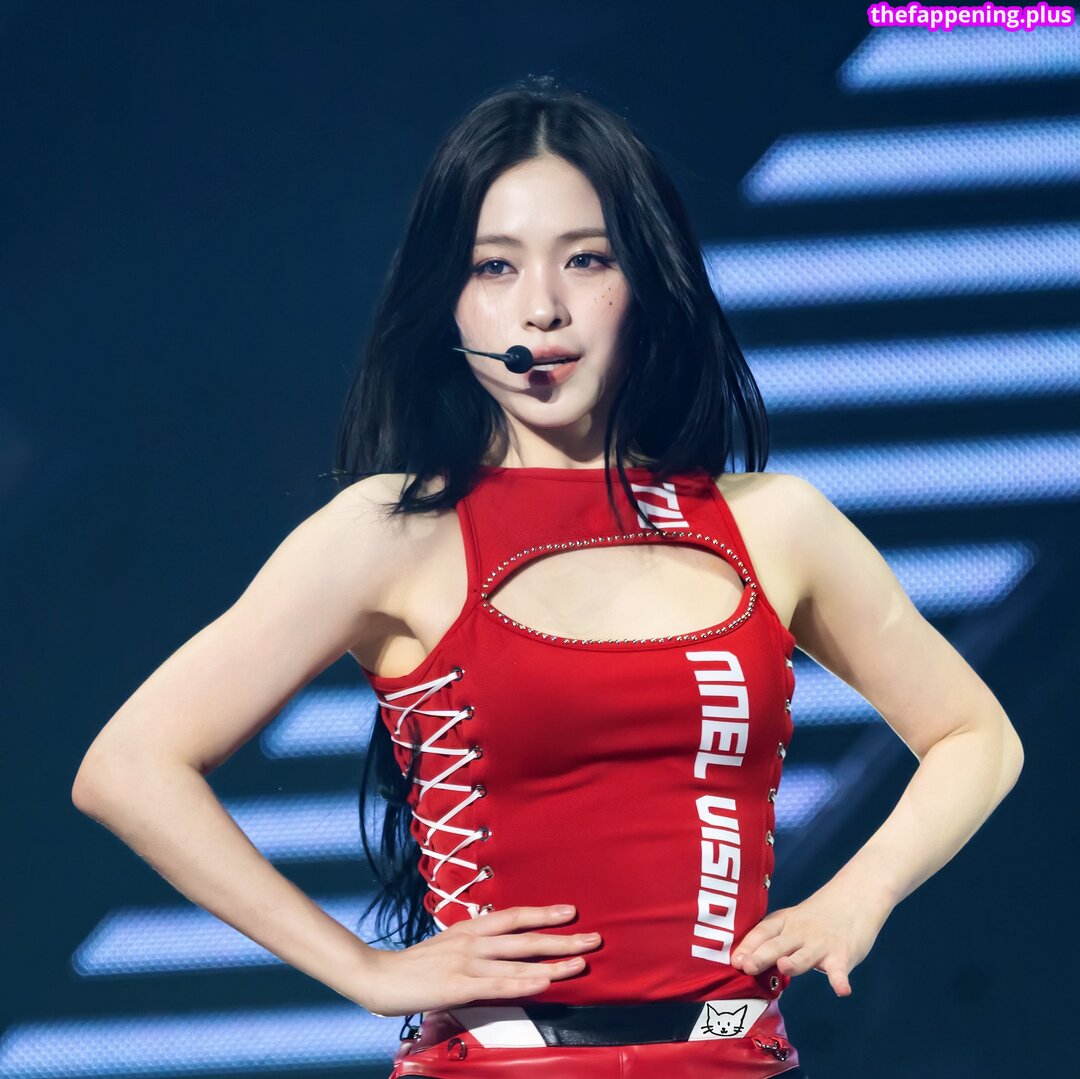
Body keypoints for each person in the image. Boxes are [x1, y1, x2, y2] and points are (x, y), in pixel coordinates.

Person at [71, 76, 1024, 1079]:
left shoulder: (775, 523)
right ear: (447, 299)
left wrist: (859, 896)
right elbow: (129, 766)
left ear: (648, 277)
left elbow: (976, 735)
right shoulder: (393, 533)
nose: (543, 306)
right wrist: (363, 969)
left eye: (586, 258)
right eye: (494, 265)